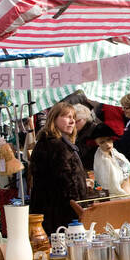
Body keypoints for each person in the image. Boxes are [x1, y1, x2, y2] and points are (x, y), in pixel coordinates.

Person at [27, 101, 90, 236]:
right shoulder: (57, 146)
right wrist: (80, 208)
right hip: (61, 214)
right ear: (54, 119)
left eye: (73, 117)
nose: (72, 121)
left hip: (50, 213)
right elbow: (68, 184)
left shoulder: (50, 142)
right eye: (67, 117)